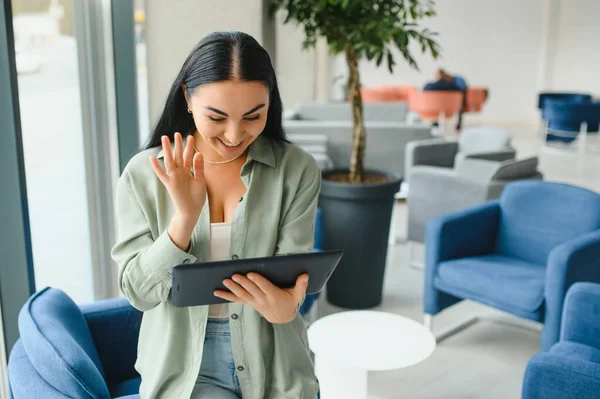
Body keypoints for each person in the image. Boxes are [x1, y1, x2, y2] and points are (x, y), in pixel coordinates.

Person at [111, 31, 321, 399]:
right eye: (217, 117)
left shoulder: (296, 169)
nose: (235, 134)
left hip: (276, 358)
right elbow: (139, 293)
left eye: (254, 116)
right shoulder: (143, 174)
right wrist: (184, 219)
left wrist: (288, 305)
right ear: (188, 98)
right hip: (184, 365)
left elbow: (293, 272)